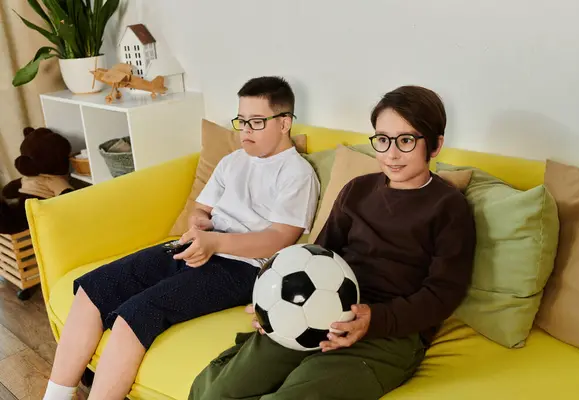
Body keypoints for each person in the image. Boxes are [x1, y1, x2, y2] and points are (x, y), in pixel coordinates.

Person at [188, 85, 476, 400]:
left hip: (389, 333)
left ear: (435, 145)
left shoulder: (448, 207)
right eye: (382, 140)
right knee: (217, 392)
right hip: (319, 311)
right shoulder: (358, 190)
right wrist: (274, 306)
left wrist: (374, 320)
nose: (391, 154)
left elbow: (443, 294)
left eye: (406, 141)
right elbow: (316, 255)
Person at [43, 76, 320, 400]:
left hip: (243, 266)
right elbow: (200, 209)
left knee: (137, 313)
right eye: (241, 121)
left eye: (256, 122)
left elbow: (279, 239)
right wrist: (200, 226)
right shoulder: (232, 161)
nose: (245, 131)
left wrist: (214, 243)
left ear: (285, 122)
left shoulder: (297, 174)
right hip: (198, 244)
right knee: (94, 288)